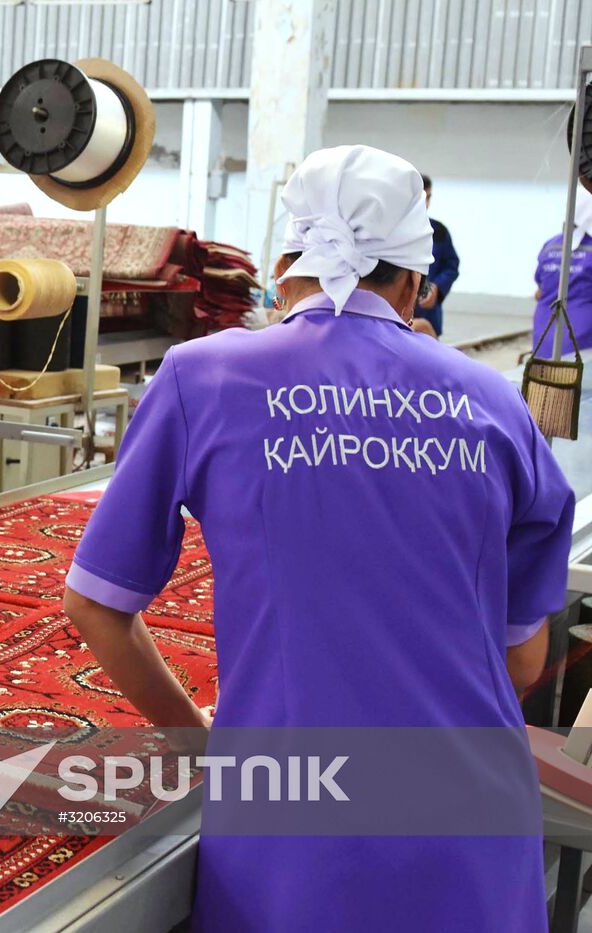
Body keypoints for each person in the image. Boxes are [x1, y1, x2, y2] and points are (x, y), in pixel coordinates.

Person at [64, 145, 571, 932]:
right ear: (413, 281)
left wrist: (201, 738)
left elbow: (97, 602)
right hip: (474, 820)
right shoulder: (494, 405)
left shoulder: (201, 379)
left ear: (281, 264)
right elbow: (523, 659)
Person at [532, 183, 592, 357]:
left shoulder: (550, 245)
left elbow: (539, 291)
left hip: (545, 333)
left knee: (546, 381)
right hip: (582, 339)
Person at [414, 173, 459, 337]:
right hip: (397, 317)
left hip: (429, 317)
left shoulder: (439, 231)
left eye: (429, 198)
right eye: (421, 198)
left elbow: (451, 266)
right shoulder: (390, 231)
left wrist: (437, 288)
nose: (426, 204)